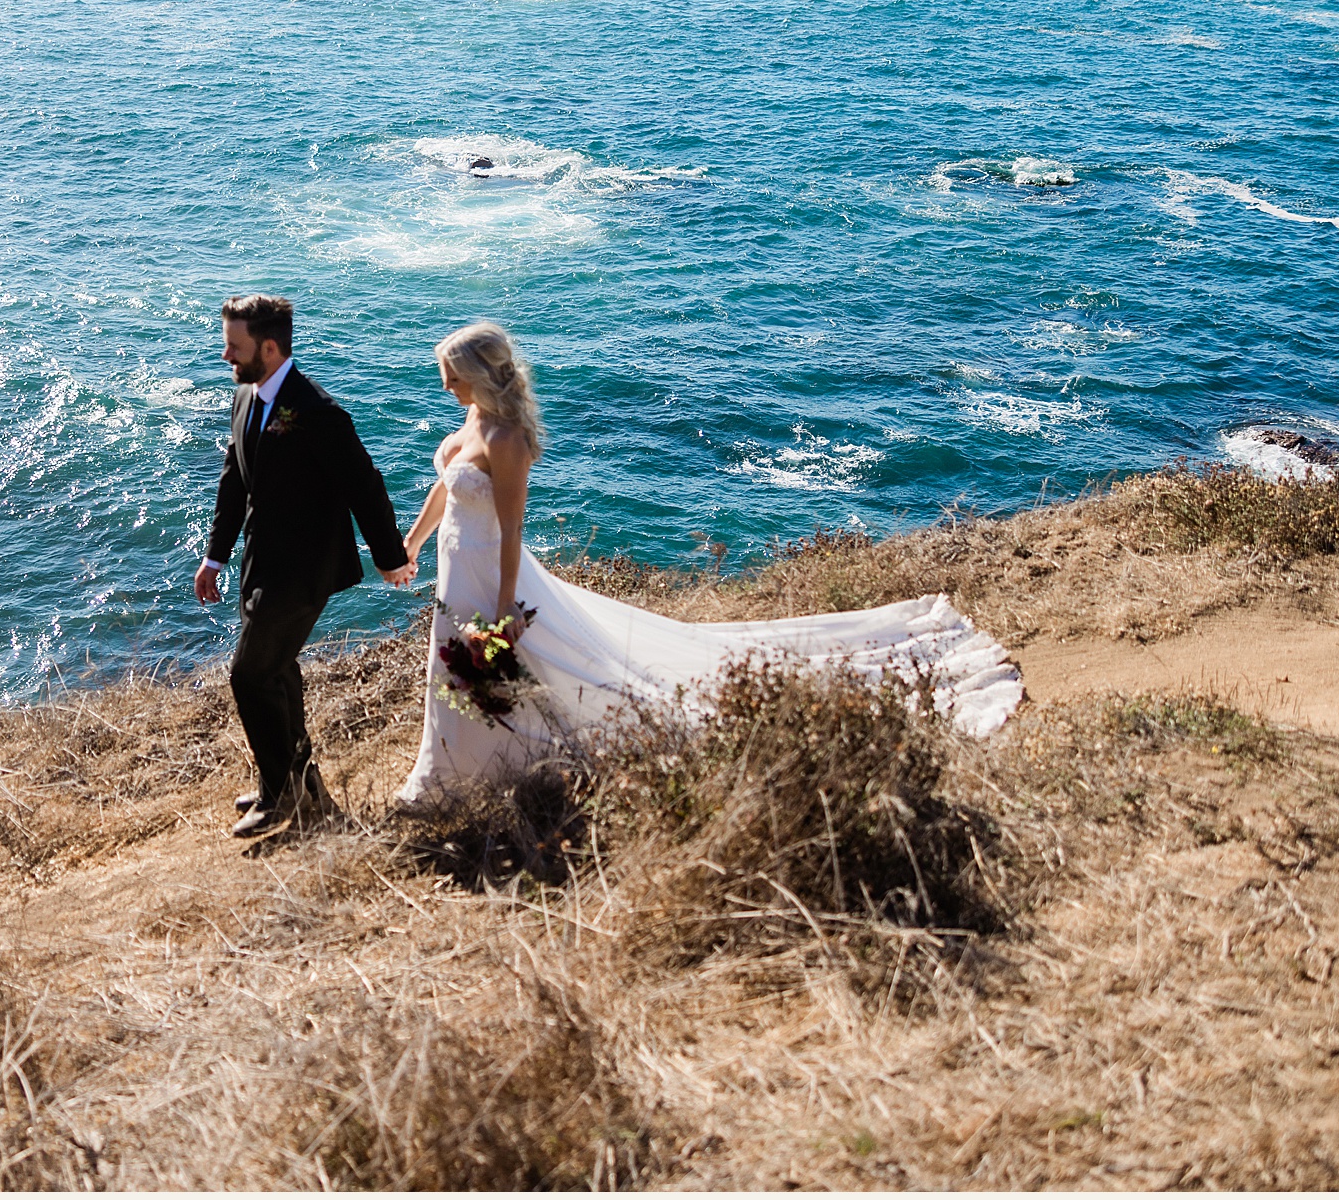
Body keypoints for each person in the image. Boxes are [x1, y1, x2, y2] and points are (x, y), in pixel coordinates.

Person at [393, 322, 1022, 801]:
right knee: (464, 670)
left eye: (452, 375)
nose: (446, 386)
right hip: (454, 565)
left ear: (478, 373)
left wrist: (506, 609)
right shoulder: (474, 418)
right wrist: (414, 542)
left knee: (519, 665)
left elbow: (512, 529)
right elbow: (447, 486)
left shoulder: (506, 440)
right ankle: (455, 768)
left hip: (490, 569)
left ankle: (464, 773)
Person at [197, 294, 412, 838]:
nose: (226, 356)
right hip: (258, 562)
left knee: (250, 676)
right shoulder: (247, 394)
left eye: (235, 346)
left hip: (303, 571)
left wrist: (390, 558)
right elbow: (235, 478)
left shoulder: (317, 411)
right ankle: (302, 781)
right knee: (279, 670)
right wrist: (215, 555)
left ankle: (280, 797)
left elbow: (365, 486)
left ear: (269, 347)